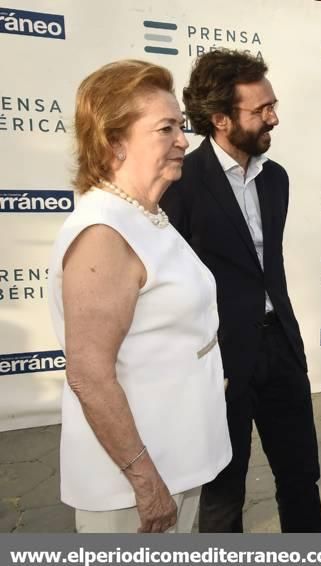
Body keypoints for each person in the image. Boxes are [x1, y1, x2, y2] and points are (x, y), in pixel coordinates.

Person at [47, 60, 231, 533]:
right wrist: (146, 483)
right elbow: (90, 375)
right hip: (132, 488)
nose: (183, 141)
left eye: (181, 127)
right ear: (114, 142)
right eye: (165, 128)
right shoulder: (103, 234)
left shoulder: (145, 215)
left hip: (176, 458)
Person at [160, 49, 321, 533]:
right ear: (220, 119)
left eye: (272, 104)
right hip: (221, 361)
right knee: (222, 497)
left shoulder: (277, 180)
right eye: (261, 110)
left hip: (281, 351)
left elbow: (264, 270)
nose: (275, 117)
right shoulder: (181, 185)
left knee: (301, 479)